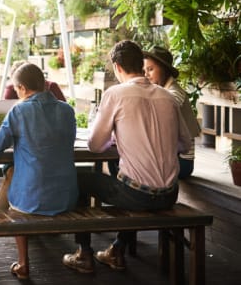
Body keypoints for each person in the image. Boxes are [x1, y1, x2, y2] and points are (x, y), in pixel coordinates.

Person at [62, 40, 191, 274]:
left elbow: (95, 144)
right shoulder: (167, 97)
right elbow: (185, 143)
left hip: (136, 195)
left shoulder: (116, 94)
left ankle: (84, 254)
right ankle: (117, 249)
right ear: (141, 65)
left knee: (80, 179)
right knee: (130, 177)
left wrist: (118, 136)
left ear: (117, 67)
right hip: (170, 194)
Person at [0, 62, 79, 280]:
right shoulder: (67, 110)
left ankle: (24, 263)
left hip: (31, 200)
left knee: (18, 186)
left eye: (17, 90)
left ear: (23, 88)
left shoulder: (19, 110)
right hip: (66, 197)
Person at [143, 46, 202, 179]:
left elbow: (156, 115)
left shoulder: (175, 93)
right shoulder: (159, 91)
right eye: (144, 70)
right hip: (168, 155)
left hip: (182, 161)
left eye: (151, 69)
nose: (146, 74)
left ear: (164, 70)